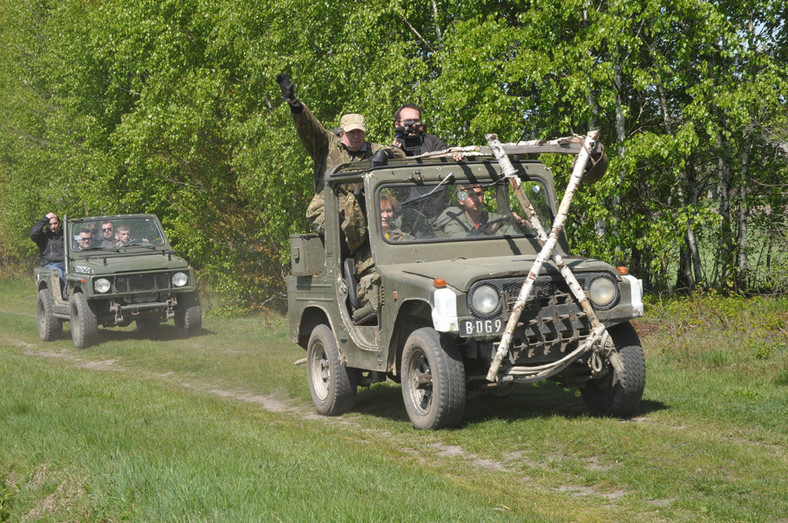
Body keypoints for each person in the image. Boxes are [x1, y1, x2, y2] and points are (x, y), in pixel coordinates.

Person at [275, 72, 404, 242]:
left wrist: (386, 153)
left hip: (361, 212)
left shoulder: (373, 149)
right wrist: (295, 104)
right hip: (327, 209)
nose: (356, 136)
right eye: (351, 133)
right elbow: (309, 127)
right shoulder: (326, 145)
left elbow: (401, 156)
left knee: (376, 237)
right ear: (341, 133)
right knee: (338, 234)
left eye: (360, 132)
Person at [436, 184, 519, 237]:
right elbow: (464, 244)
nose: (476, 199)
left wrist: (520, 223)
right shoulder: (454, 221)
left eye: (479, 194)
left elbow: (516, 239)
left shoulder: (496, 219)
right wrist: (488, 232)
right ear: (461, 200)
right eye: (471, 195)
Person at [30, 212, 66, 298]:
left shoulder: (65, 234)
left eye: (55, 223)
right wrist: (45, 218)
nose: (53, 226)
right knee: (60, 274)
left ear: (59, 223)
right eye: (50, 224)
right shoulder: (43, 236)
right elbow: (33, 233)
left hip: (66, 263)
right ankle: (64, 299)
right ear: (46, 225)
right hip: (50, 264)